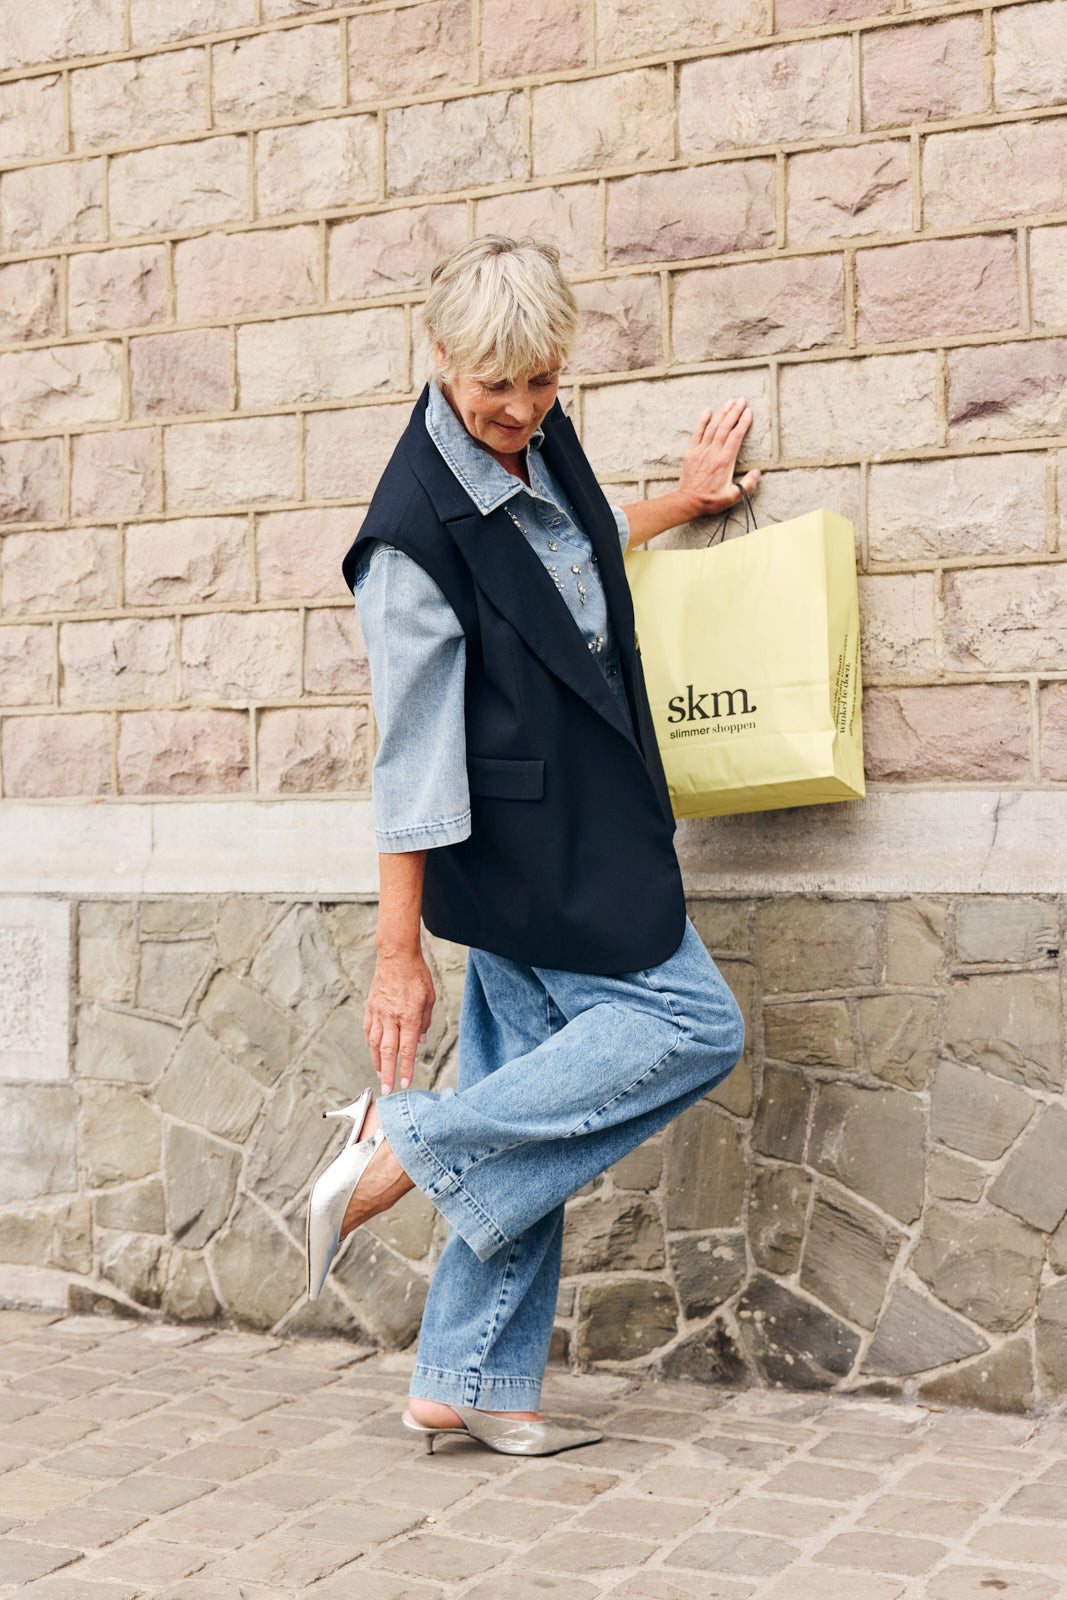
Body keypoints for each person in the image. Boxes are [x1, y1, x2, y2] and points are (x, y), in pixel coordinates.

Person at [306, 236, 760, 1458]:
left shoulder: (538, 435)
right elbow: (407, 761)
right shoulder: (407, 539)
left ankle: (468, 1379)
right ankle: (402, 1144)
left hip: (576, 824)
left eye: (542, 382)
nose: (519, 410)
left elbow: (564, 556)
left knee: (534, 1102)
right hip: (535, 855)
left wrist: (677, 504)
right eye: (493, 387)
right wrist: (394, 955)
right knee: (693, 1024)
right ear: (438, 356)